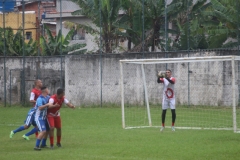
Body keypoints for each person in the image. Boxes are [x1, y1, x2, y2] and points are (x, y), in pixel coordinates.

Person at [34, 86, 59, 151]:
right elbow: (40, 107)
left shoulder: (48, 97)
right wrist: (47, 104)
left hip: (45, 117)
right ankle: (36, 146)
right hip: (39, 117)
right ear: (45, 91)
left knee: (48, 130)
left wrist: (55, 106)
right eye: (48, 89)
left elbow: (49, 105)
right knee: (43, 131)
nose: (49, 90)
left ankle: (43, 144)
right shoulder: (40, 98)